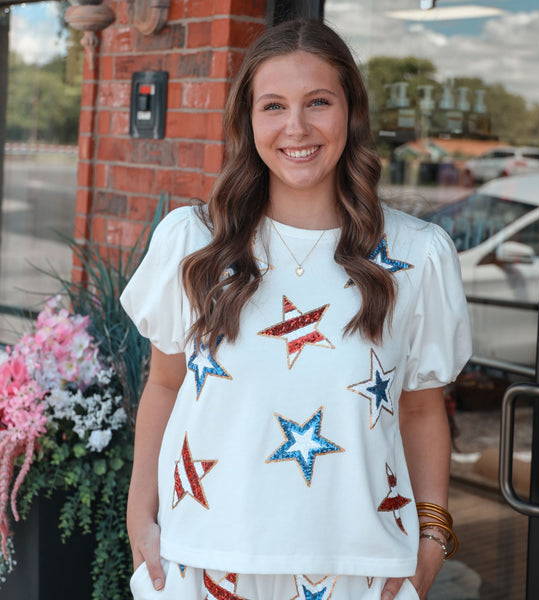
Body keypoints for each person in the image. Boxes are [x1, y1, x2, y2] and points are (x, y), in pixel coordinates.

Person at [120, 18, 471, 600]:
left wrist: (431, 542)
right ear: (248, 120)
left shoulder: (417, 255)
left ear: (350, 112)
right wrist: (140, 516)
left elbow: (420, 412)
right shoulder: (193, 243)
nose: (297, 127)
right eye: (274, 105)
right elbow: (164, 386)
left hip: (361, 568)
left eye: (319, 102)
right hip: (205, 560)